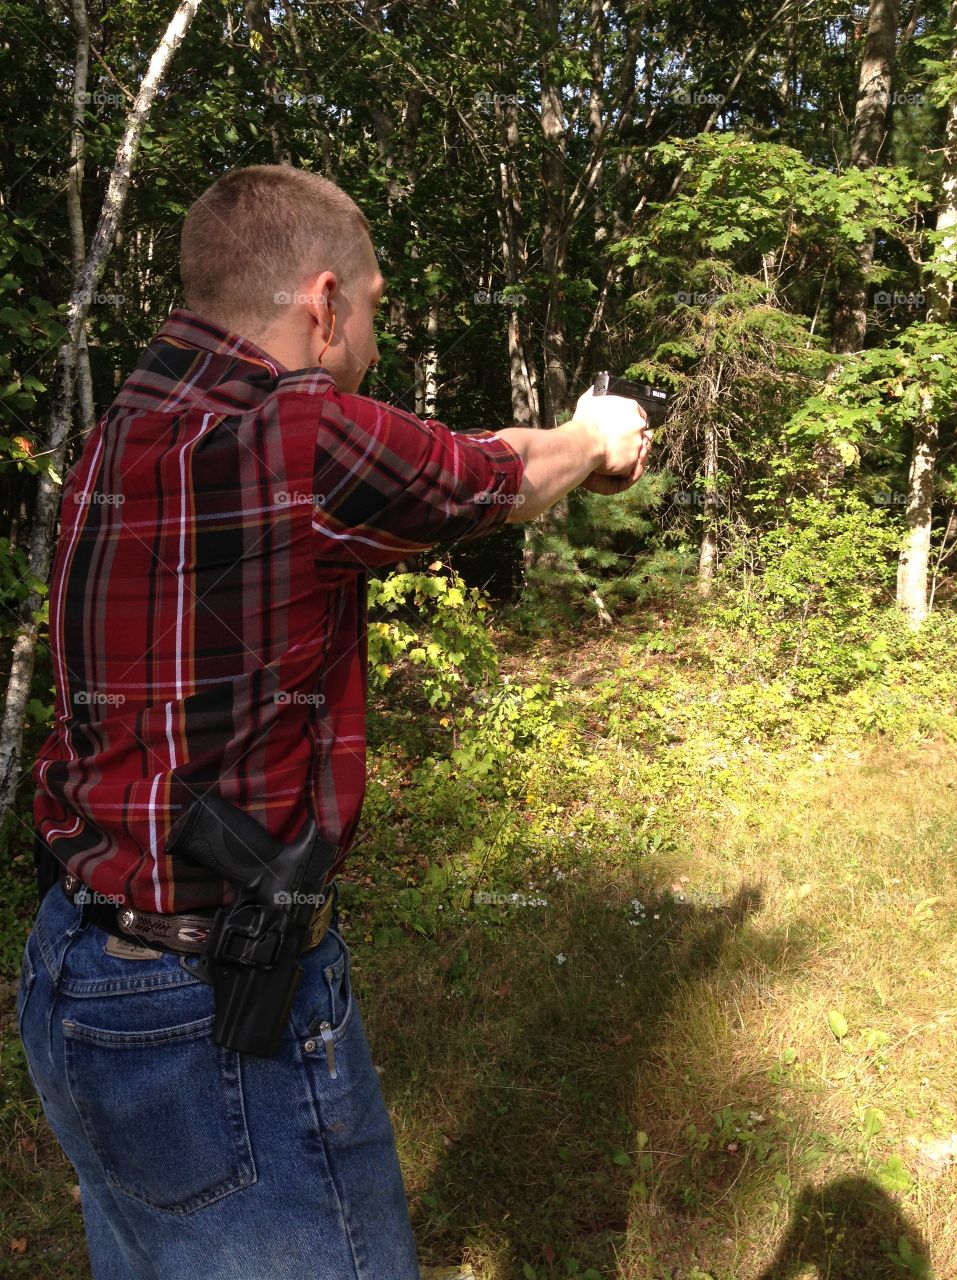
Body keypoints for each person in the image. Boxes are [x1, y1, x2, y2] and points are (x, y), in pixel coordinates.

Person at [16, 163, 652, 1280]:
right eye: (372, 311)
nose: (371, 346)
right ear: (323, 303)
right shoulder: (292, 431)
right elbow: (479, 476)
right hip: (211, 1007)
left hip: (75, 970)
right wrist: (595, 436)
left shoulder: (121, 429)